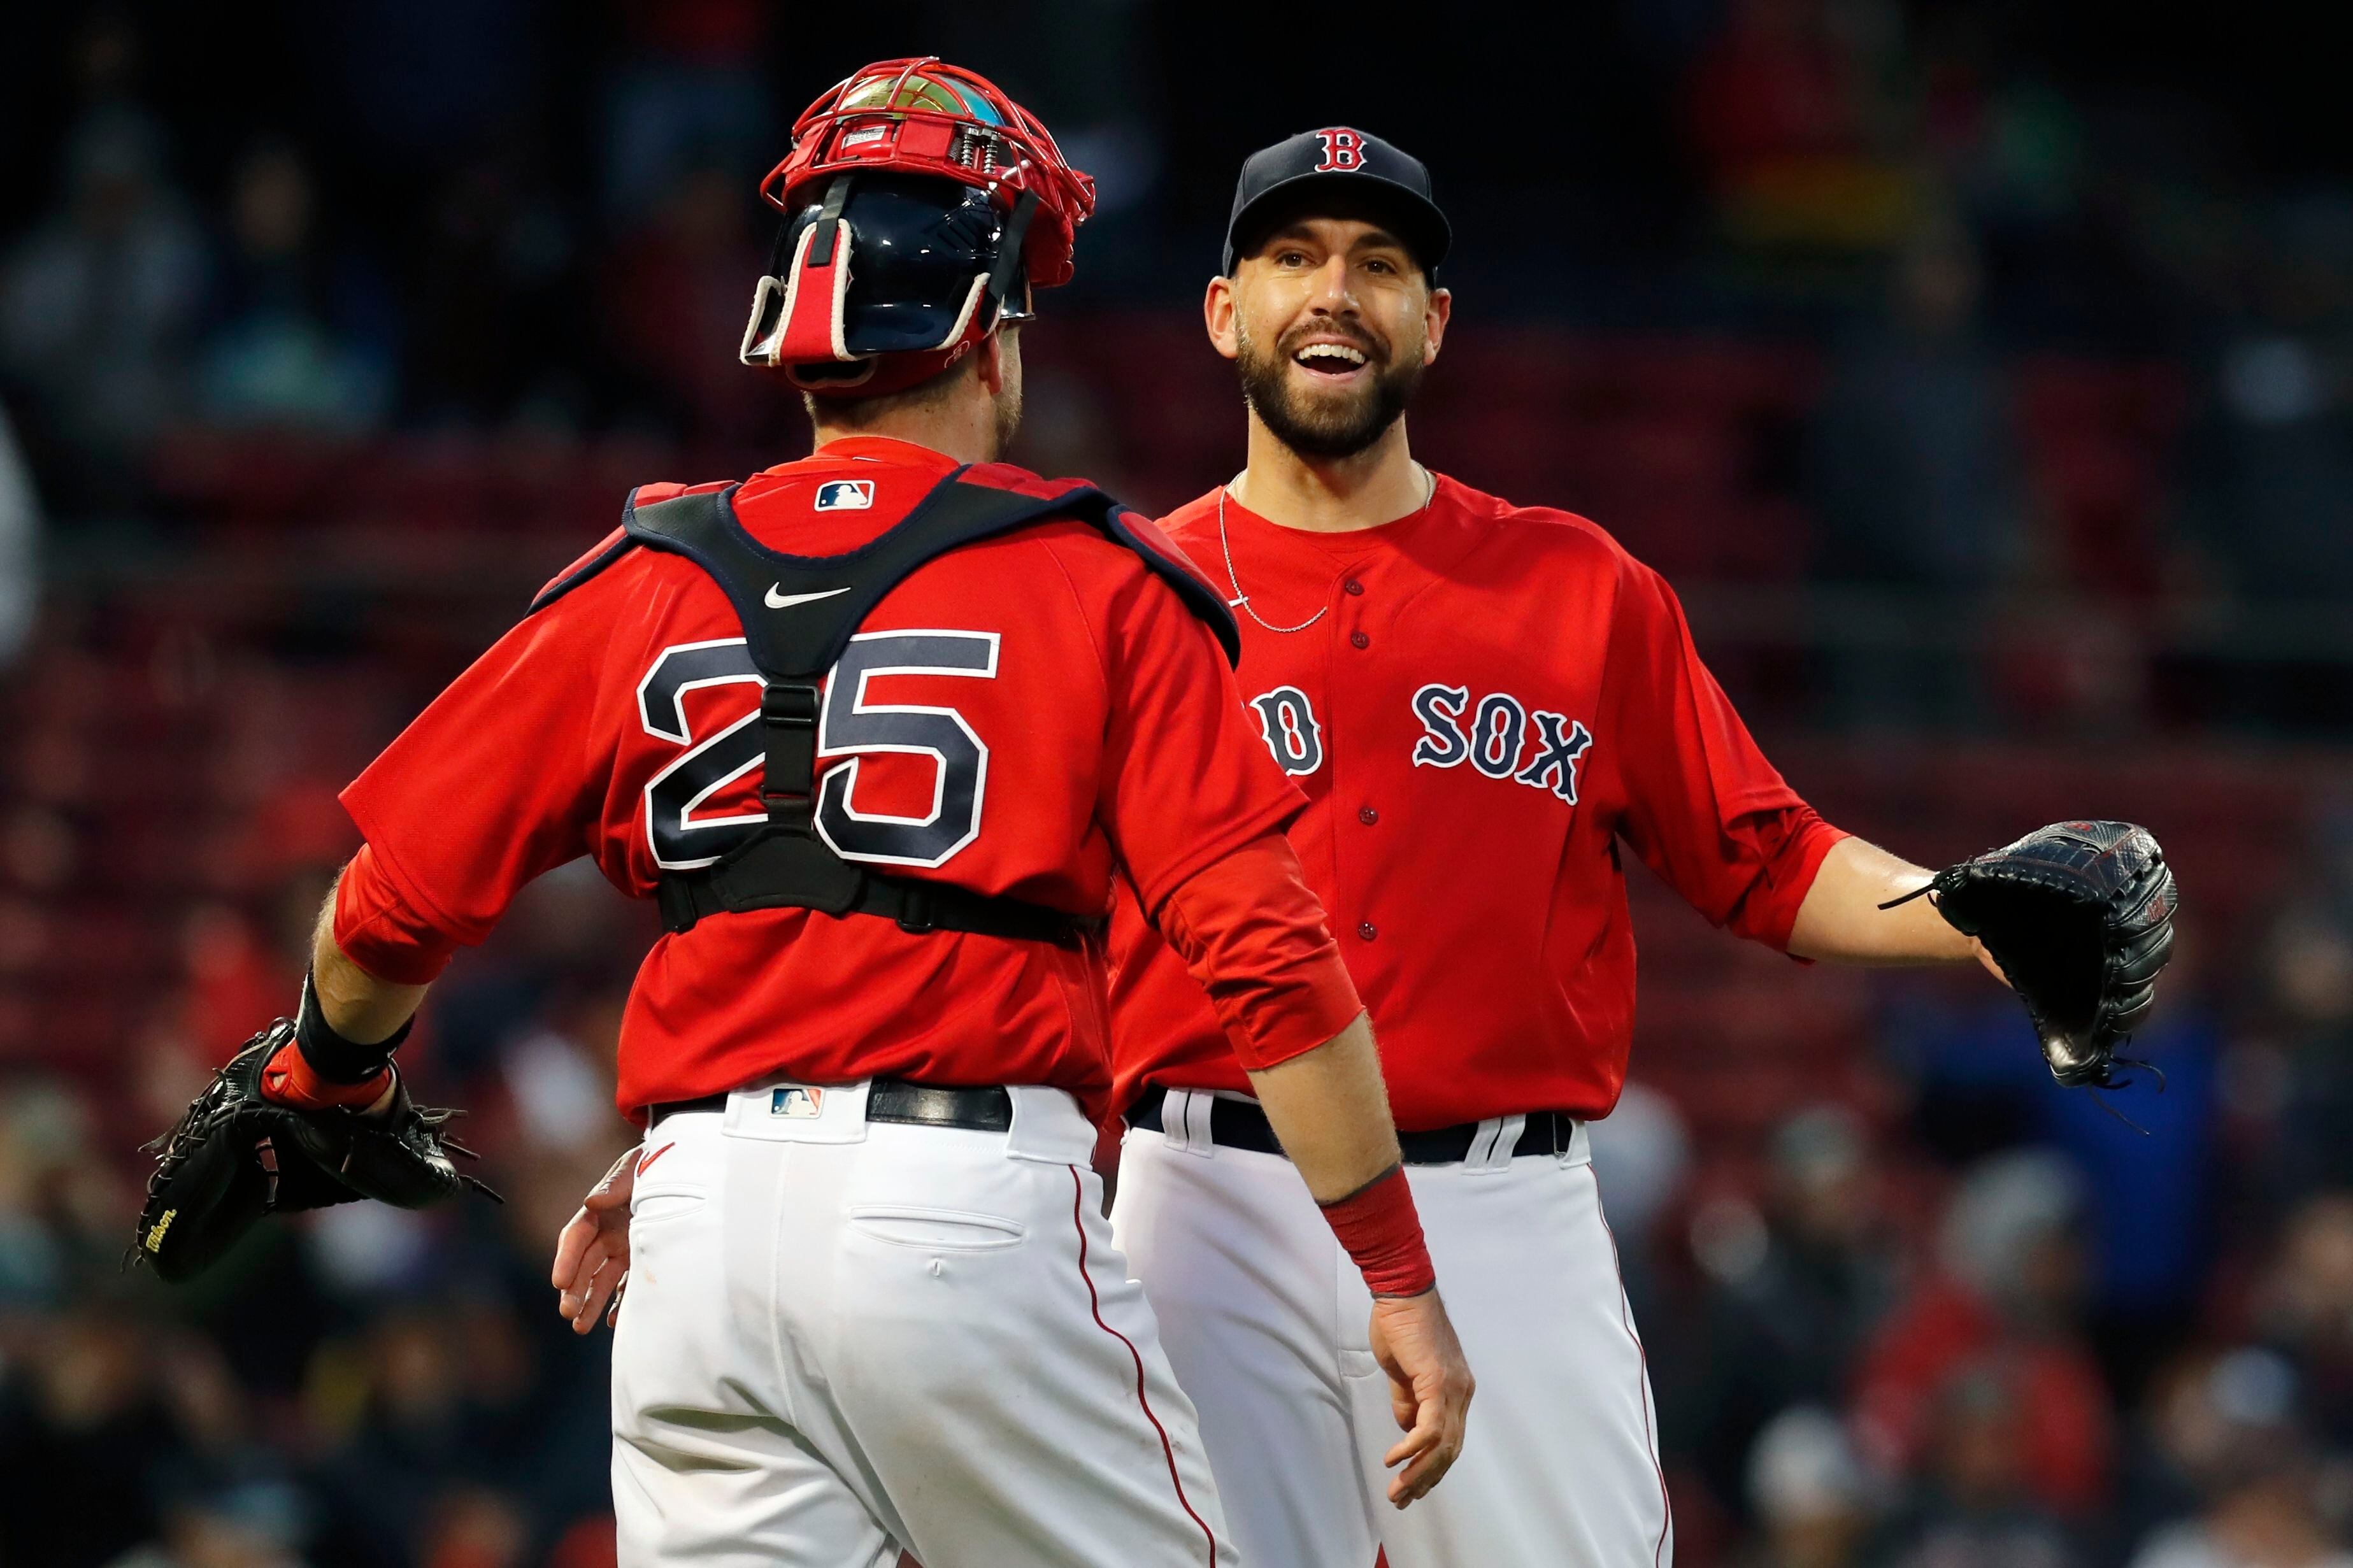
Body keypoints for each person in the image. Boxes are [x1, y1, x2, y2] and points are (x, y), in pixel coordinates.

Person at [245, 66, 1471, 1568]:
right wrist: (1395, 1275)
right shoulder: (1097, 580)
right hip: (960, 1213)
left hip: (689, 1231)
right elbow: (1268, 962)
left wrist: (331, 1078)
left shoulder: (643, 573)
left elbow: (384, 910)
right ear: (991, 323)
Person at [1103, 127, 2164, 1568]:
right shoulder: (1130, 598)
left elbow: (1768, 856)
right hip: (1205, 1206)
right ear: (1226, 309)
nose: (1331, 293)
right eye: (1290, 258)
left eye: (1377, 264)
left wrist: (1968, 919)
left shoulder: (1574, 588)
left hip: (1496, 1206)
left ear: (1437, 320)